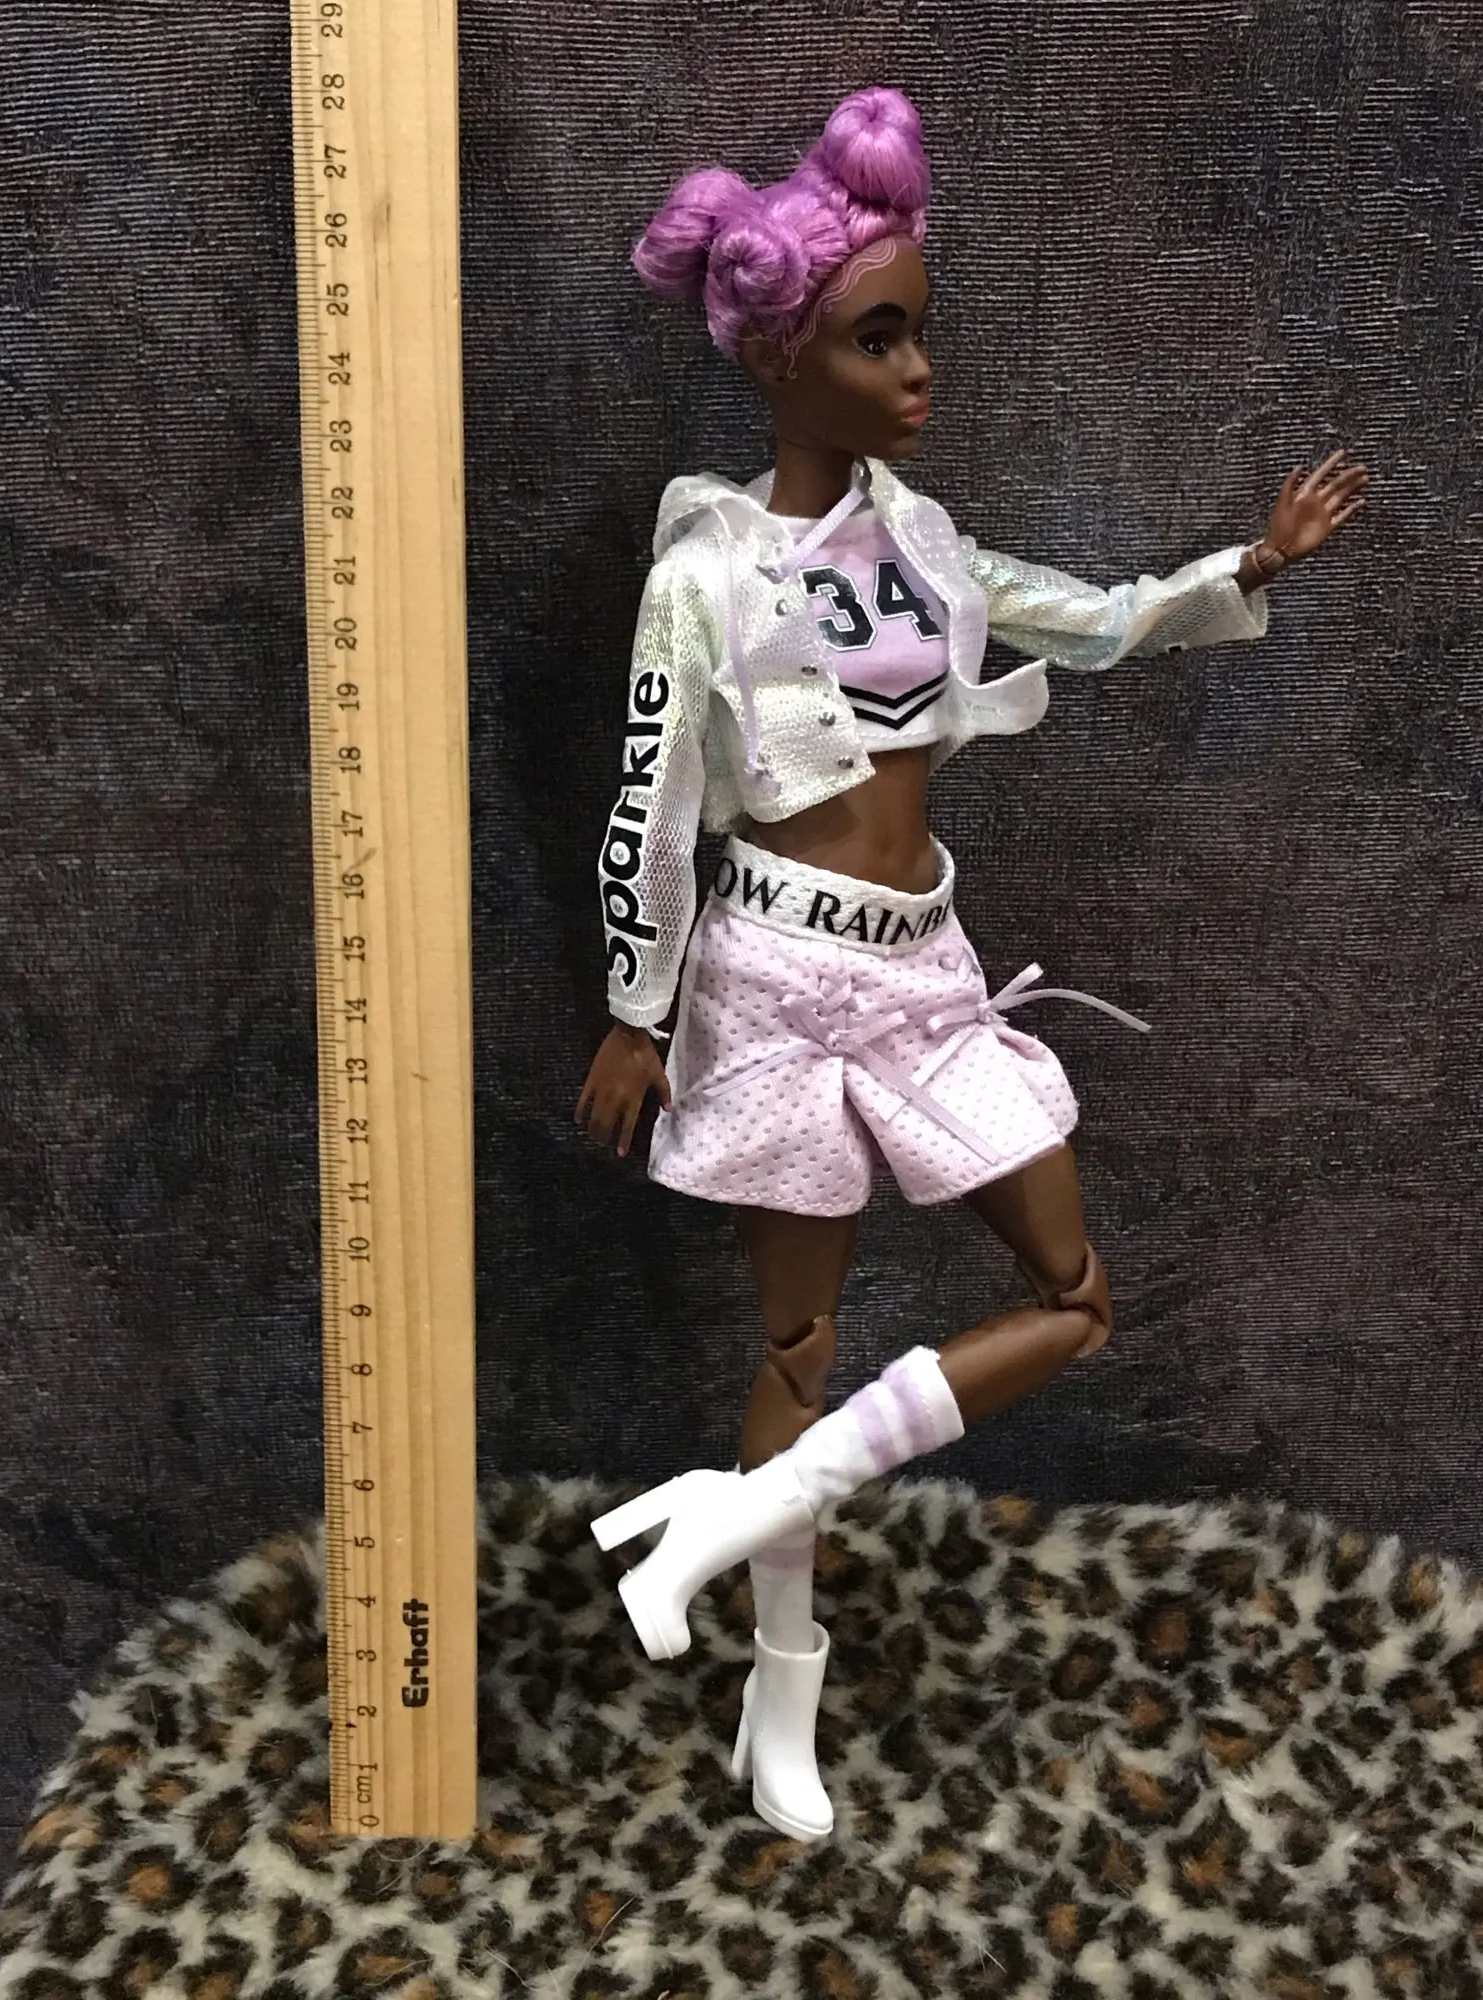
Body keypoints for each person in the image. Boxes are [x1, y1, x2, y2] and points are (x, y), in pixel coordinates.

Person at [575, 86, 1368, 1841]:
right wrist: (638, 1008)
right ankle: (781, 1691)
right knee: (798, 1337)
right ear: (782, 358)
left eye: (919, 331)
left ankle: (718, 1519)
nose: (919, 370)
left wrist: (1242, 567)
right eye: (879, 338)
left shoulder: (927, 547)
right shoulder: (707, 572)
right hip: (774, 976)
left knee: (1073, 1293)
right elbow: (653, 794)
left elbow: (1085, 617)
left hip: (924, 967)